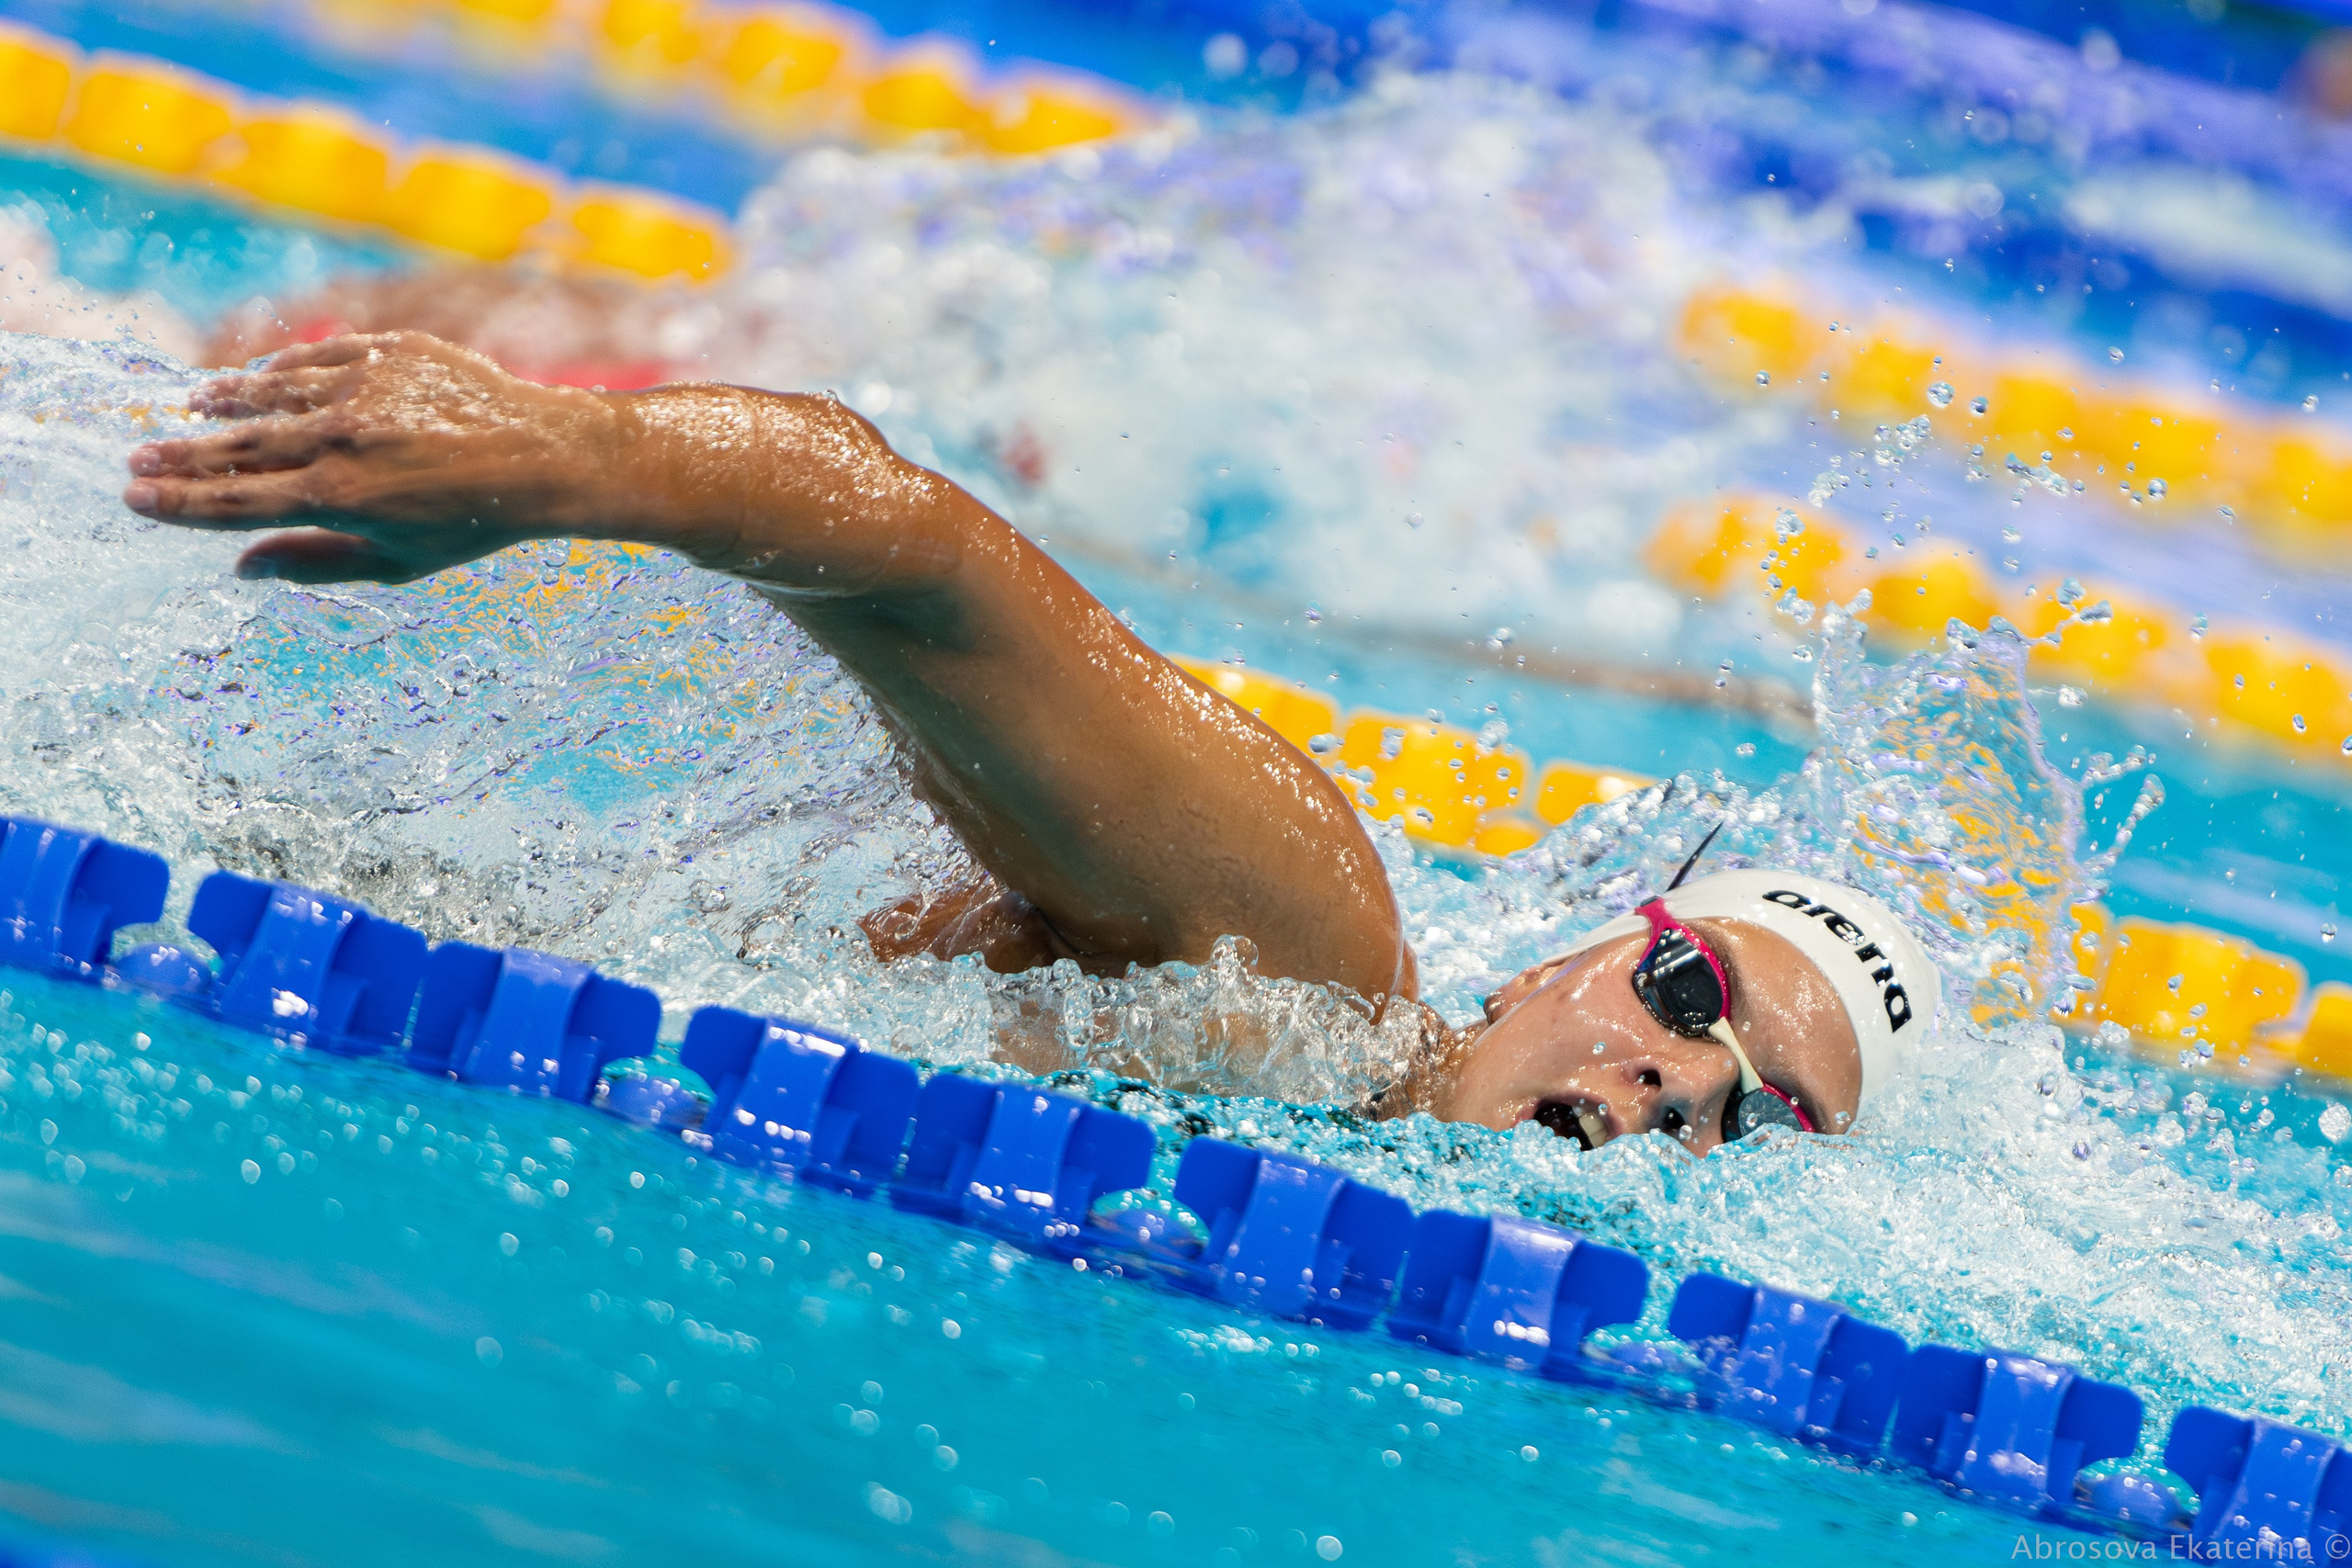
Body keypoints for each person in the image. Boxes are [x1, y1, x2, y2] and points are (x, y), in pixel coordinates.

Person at [120, 331, 1942, 1153]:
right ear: (1595, 942)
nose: (1678, 1089)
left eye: (1754, 1124)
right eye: (1694, 1004)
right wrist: (553, 456)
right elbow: (920, 551)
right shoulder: (1310, 967)